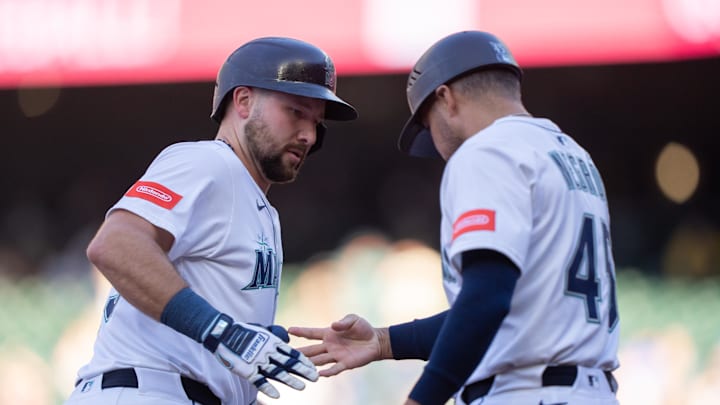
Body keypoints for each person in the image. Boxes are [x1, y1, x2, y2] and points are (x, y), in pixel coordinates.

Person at [289, 30, 620, 405]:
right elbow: (507, 309)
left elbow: (486, 299)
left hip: (523, 393)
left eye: (429, 126)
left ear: (446, 98)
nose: (438, 147)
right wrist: (384, 342)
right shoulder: (572, 155)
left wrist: (422, 399)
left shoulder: (487, 151)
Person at [64, 36, 358, 405]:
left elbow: (213, 342)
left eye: (318, 124)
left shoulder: (257, 205)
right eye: (296, 112)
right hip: (147, 391)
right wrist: (224, 332)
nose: (308, 135)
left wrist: (255, 341)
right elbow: (114, 245)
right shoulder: (208, 162)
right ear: (244, 101)